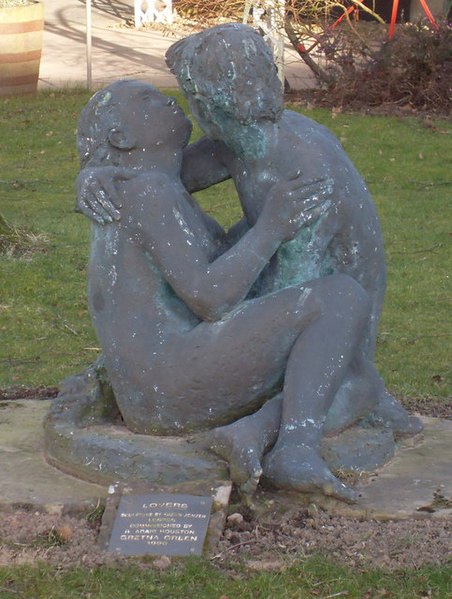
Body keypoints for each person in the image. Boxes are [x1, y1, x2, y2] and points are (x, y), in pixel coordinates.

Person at [77, 79, 373, 502]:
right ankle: (295, 448)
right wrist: (270, 227)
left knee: (356, 378)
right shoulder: (147, 191)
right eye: (146, 99)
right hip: (169, 383)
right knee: (340, 298)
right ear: (120, 137)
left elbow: (212, 266)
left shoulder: (148, 188)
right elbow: (211, 298)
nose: (167, 99)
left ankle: (254, 432)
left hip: (155, 390)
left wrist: (265, 227)